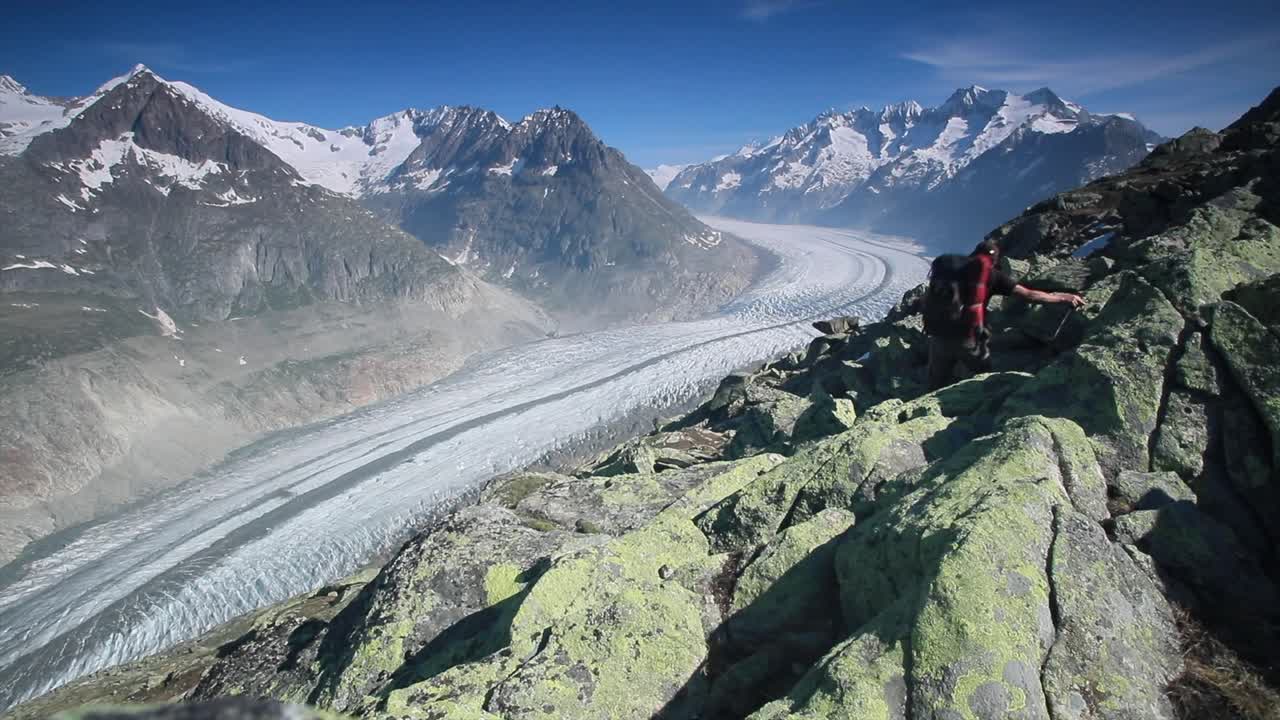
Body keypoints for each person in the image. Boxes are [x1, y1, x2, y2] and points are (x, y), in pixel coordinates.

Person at [924, 239, 1085, 390]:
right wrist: (1060, 298)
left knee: (936, 377)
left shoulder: (952, 267)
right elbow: (1028, 295)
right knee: (982, 373)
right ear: (993, 259)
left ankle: (922, 404)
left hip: (938, 333)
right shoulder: (992, 276)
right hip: (966, 337)